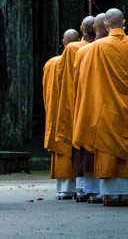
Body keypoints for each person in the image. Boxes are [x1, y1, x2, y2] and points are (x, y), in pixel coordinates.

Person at [73, 8, 128, 207]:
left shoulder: (95, 48)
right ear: (124, 22)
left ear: (105, 25)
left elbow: (86, 80)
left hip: (105, 108)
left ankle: (110, 194)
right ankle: (126, 193)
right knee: (127, 146)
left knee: (107, 148)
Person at [43, 29, 81, 200]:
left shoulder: (51, 63)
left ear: (64, 42)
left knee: (61, 147)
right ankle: (79, 186)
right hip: (75, 111)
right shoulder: (82, 59)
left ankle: (63, 188)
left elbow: (46, 93)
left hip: (56, 112)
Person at [72, 15, 100, 202]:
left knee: (87, 147)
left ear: (83, 30)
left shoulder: (78, 50)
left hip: (85, 104)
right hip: (105, 106)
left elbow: (72, 83)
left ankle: (86, 187)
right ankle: (94, 188)